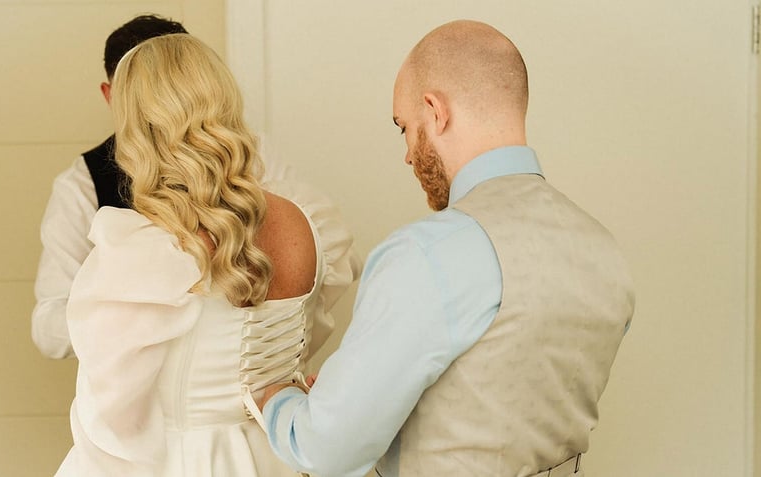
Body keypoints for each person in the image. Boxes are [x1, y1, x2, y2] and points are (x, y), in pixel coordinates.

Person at [258, 20, 635, 477]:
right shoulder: (600, 248)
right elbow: (498, 394)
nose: (408, 155)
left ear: (435, 111)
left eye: (404, 127)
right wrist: (351, 401)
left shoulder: (429, 253)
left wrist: (278, 398)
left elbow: (326, 450)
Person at [55, 33, 356, 476]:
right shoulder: (304, 222)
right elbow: (313, 333)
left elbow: (109, 424)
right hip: (281, 457)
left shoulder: (140, 248)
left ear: (137, 124)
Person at [32, 14, 358, 360]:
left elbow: (335, 254)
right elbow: (48, 328)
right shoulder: (81, 186)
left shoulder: (252, 155)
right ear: (111, 95)